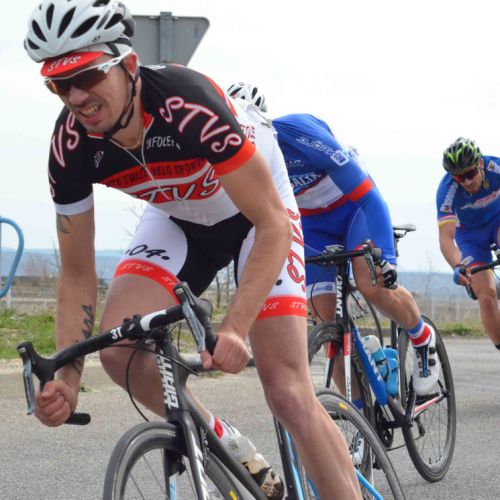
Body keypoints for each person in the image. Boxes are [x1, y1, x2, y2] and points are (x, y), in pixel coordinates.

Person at [24, 1, 362, 498]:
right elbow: (76, 274)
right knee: (118, 352)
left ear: (128, 65)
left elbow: (272, 224)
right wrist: (68, 375)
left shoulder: (188, 105)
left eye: (88, 75)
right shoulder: (69, 147)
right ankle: (226, 441)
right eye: (58, 83)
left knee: (288, 392)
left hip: (257, 215)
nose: (76, 96)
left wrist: (236, 327)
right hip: (179, 214)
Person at [227, 82, 440, 397]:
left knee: (372, 284)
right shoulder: (235, 161)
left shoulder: (300, 133)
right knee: (326, 321)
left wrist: (387, 260)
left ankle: (422, 339)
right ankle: (358, 410)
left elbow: (370, 199)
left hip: (353, 210)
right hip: (312, 224)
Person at [438, 137, 500, 351]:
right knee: (487, 297)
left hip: (497, 221)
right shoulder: (446, 191)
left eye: (470, 173)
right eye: (459, 177)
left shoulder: (495, 168)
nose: (466, 181)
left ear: (480, 163)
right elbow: (446, 237)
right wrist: (458, 266)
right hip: (471, 237)